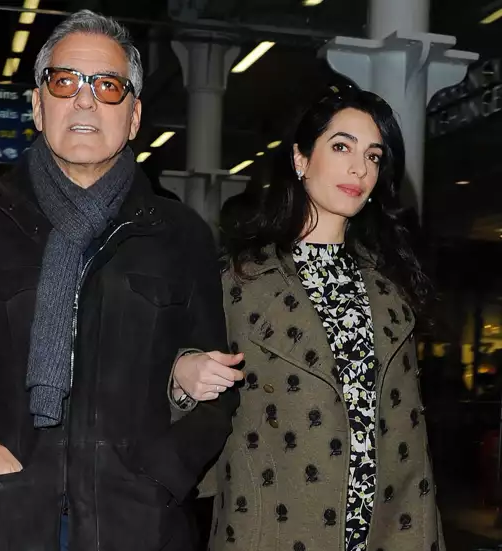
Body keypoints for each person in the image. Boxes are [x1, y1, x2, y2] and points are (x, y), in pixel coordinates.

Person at [0, 10, 242, 551]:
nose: (85, 100)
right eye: (65, 82)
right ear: (39, 105)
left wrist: (162, 475)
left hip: (139, 525)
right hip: (7, 519)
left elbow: (217, 383)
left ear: (133, 116)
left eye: (107, 86)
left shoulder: (181, 236)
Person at [173, 84, 446, 551]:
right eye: (341, 147)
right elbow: (162, 394)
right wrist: (181, 376)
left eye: (373, 156)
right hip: (273, 529)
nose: (359, 168)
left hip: (384, 533)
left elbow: (410, 446)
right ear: (301, 159)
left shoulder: (391, 286)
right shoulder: (239, 282)